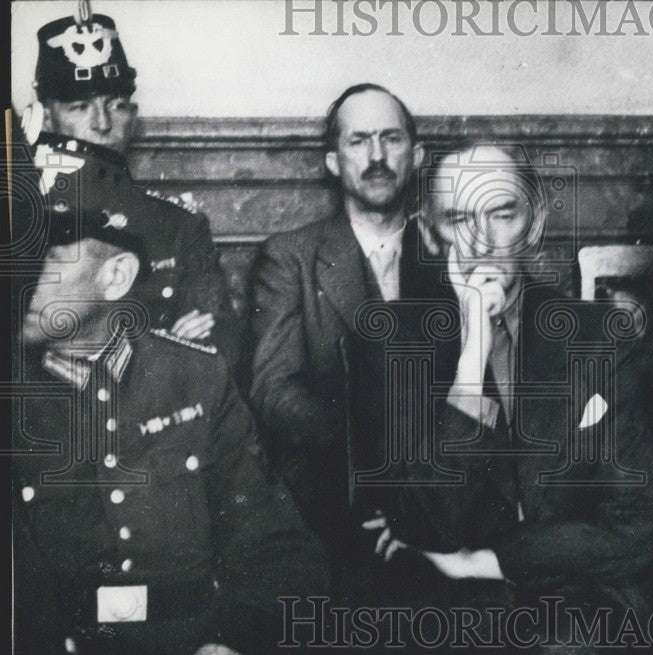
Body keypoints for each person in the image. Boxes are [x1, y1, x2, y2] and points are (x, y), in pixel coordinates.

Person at [12, 141, 328, 654]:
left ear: (116, 276)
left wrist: (233, 642)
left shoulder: (195, 378)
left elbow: (275, 544)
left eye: (45, 259)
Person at [351, 143, 653, 649]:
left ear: (535, 223)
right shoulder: (392, 348)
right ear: (429, 236)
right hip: (453, 616)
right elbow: (427, 526)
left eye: (501, 212)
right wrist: (472, 356)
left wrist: (483, 560)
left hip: (581, 605)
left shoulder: (599, 338)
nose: (481, 239)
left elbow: (637, 522)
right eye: (457, 218)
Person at [249, 84, 439, 566]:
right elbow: (274, 391)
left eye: (391, 139)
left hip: (444, 502)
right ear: (334, 161)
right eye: (358, 141)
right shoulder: (290, 258)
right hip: (333, 509)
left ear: (416, 155)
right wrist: (380, 459)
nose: (377, 156)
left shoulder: (450, 256)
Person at [24, 7, 238, 362]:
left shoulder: (178, 225)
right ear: (46, 117)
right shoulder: (23, 216)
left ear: (133, 116)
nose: (102, 123)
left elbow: (219, 346)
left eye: (117, 105)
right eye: (79, 106)